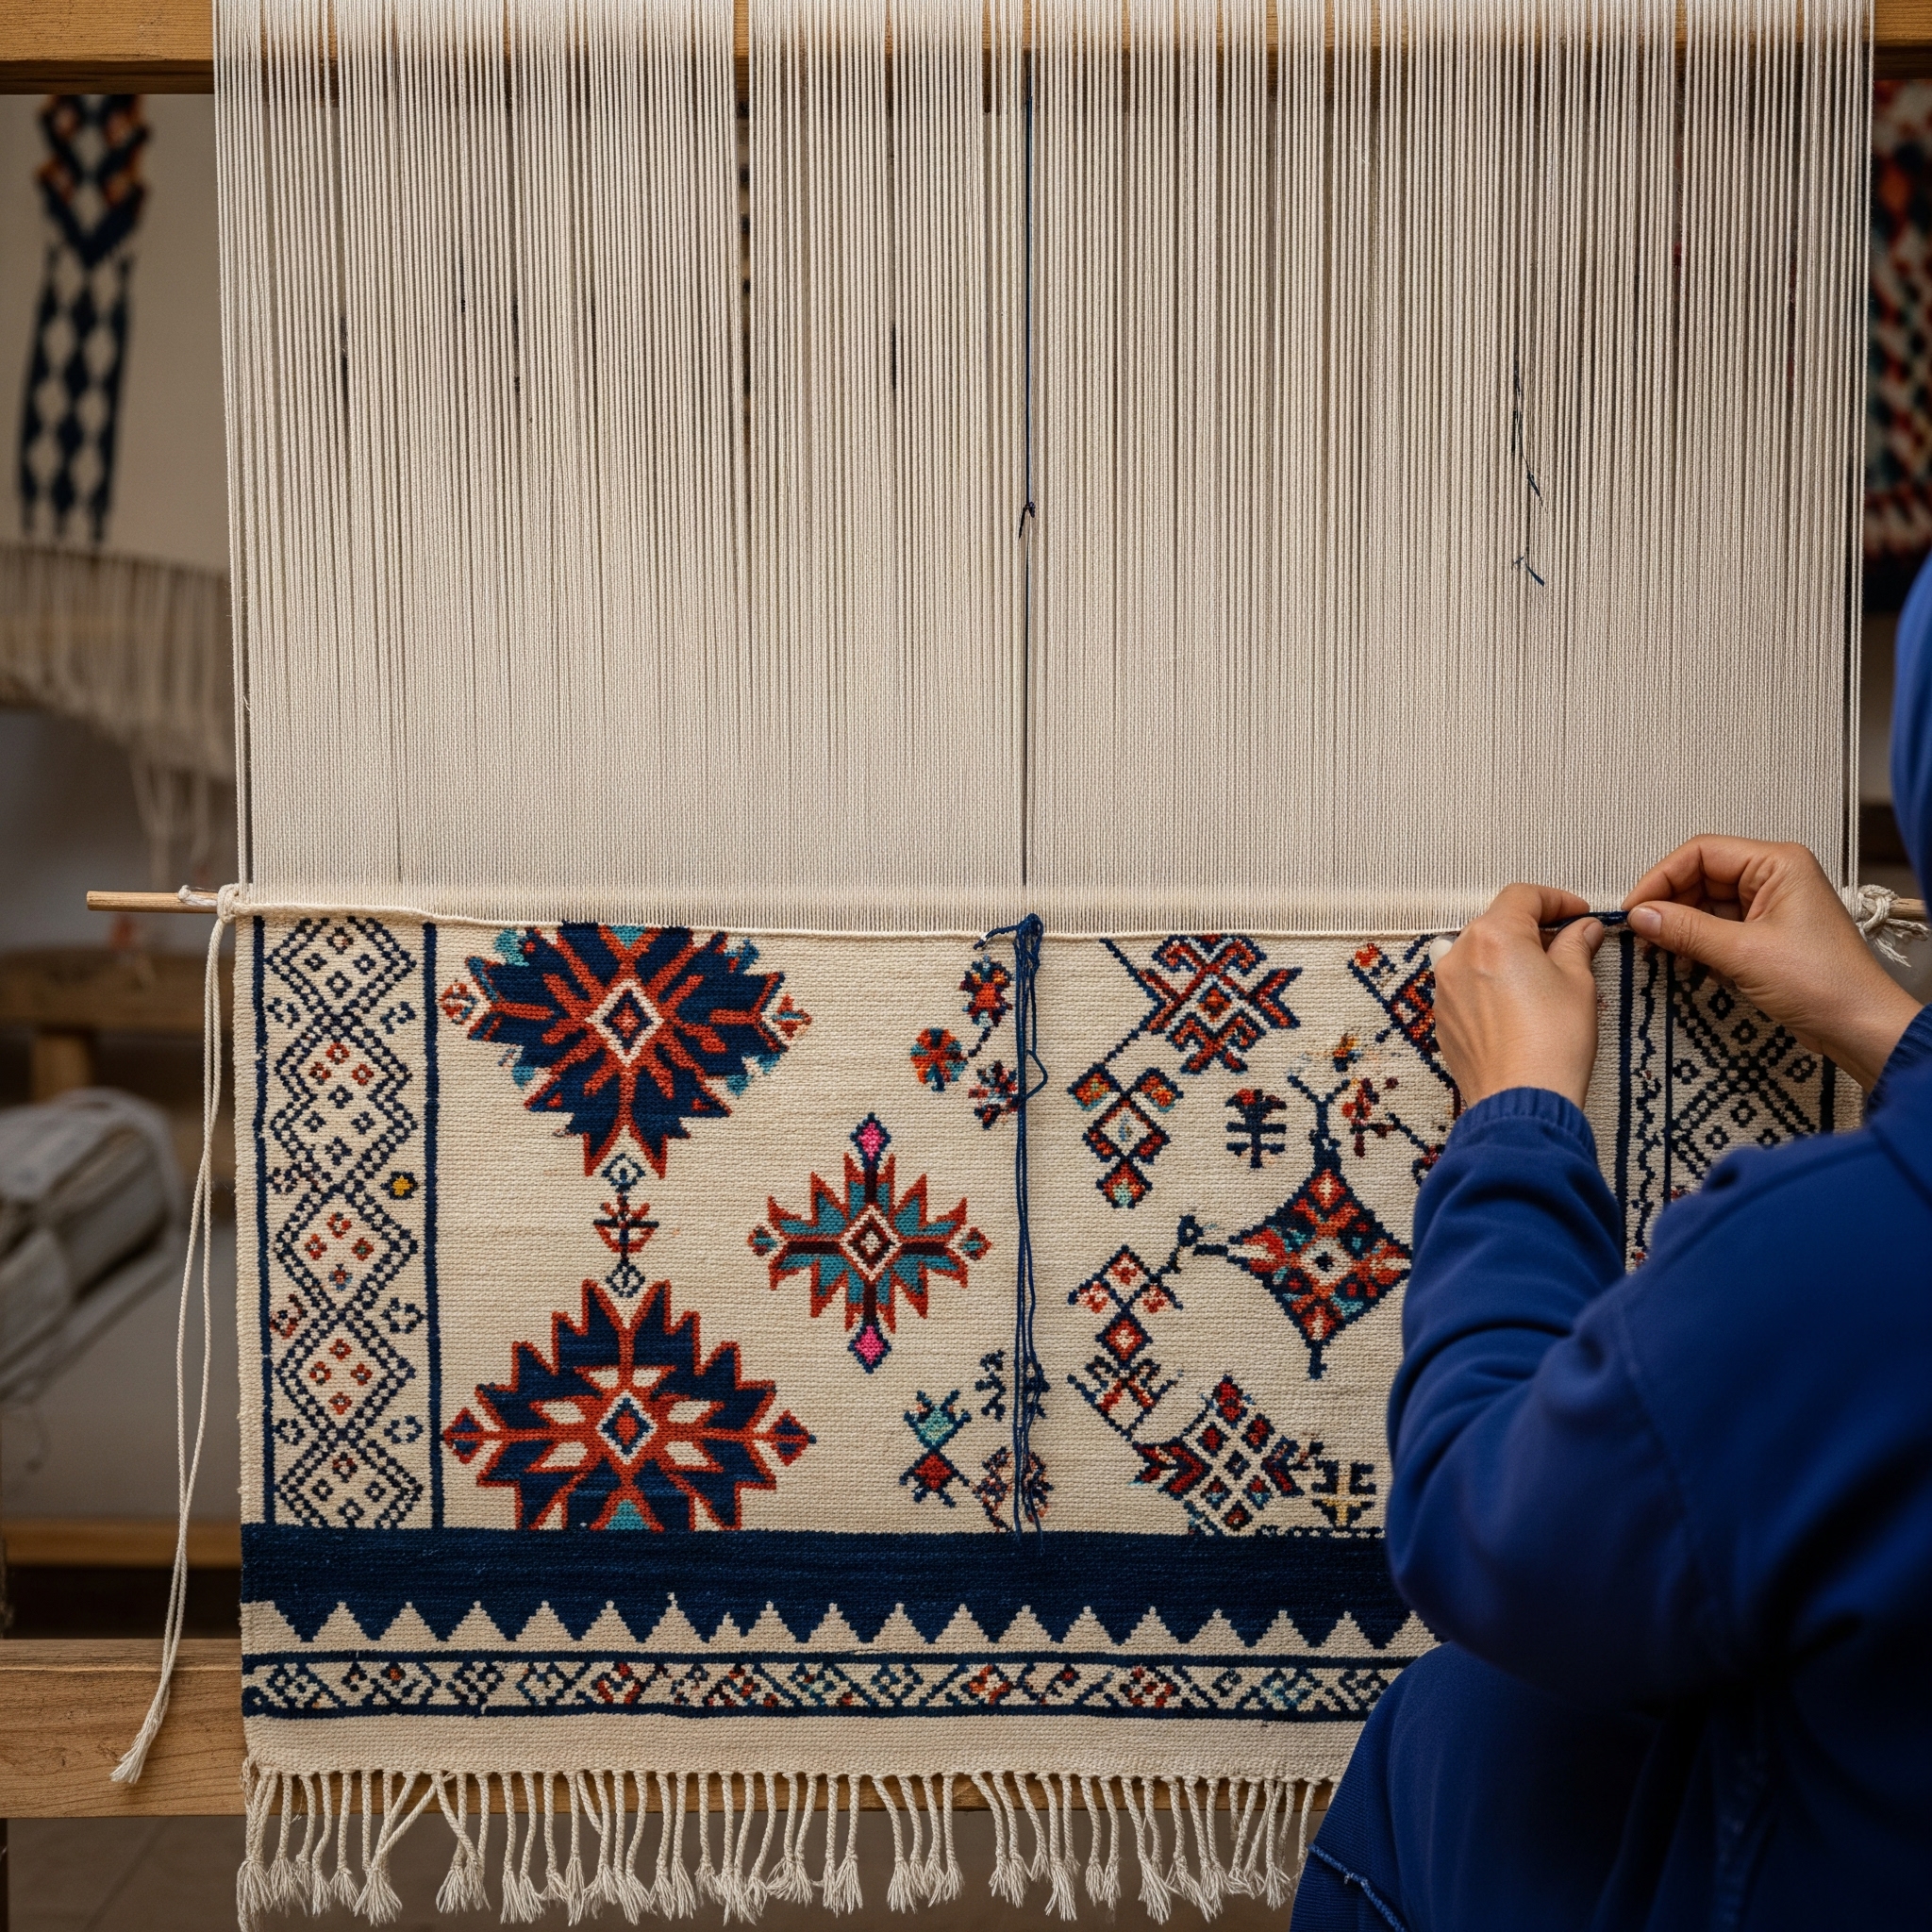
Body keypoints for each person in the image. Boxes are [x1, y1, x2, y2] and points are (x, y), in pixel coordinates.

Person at [1292, 573, 1932, 1930]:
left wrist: (1513, 1119)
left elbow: (1487, 1530)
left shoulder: (1831, 1268)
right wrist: (1897, 1035)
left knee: (1464, 1720)